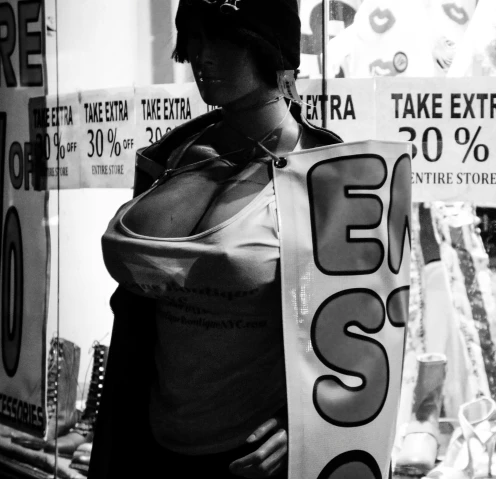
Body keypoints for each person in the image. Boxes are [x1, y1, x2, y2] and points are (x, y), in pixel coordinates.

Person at [92, 1, 344, 477]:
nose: (203, 57)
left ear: (268, 46)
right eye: (196, 39)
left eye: (225, 40)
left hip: (248, 456)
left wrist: (312, 422)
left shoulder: (328, 175)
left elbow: (361, 328)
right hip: (150, 441)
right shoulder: (169, 159)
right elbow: (134, 314)